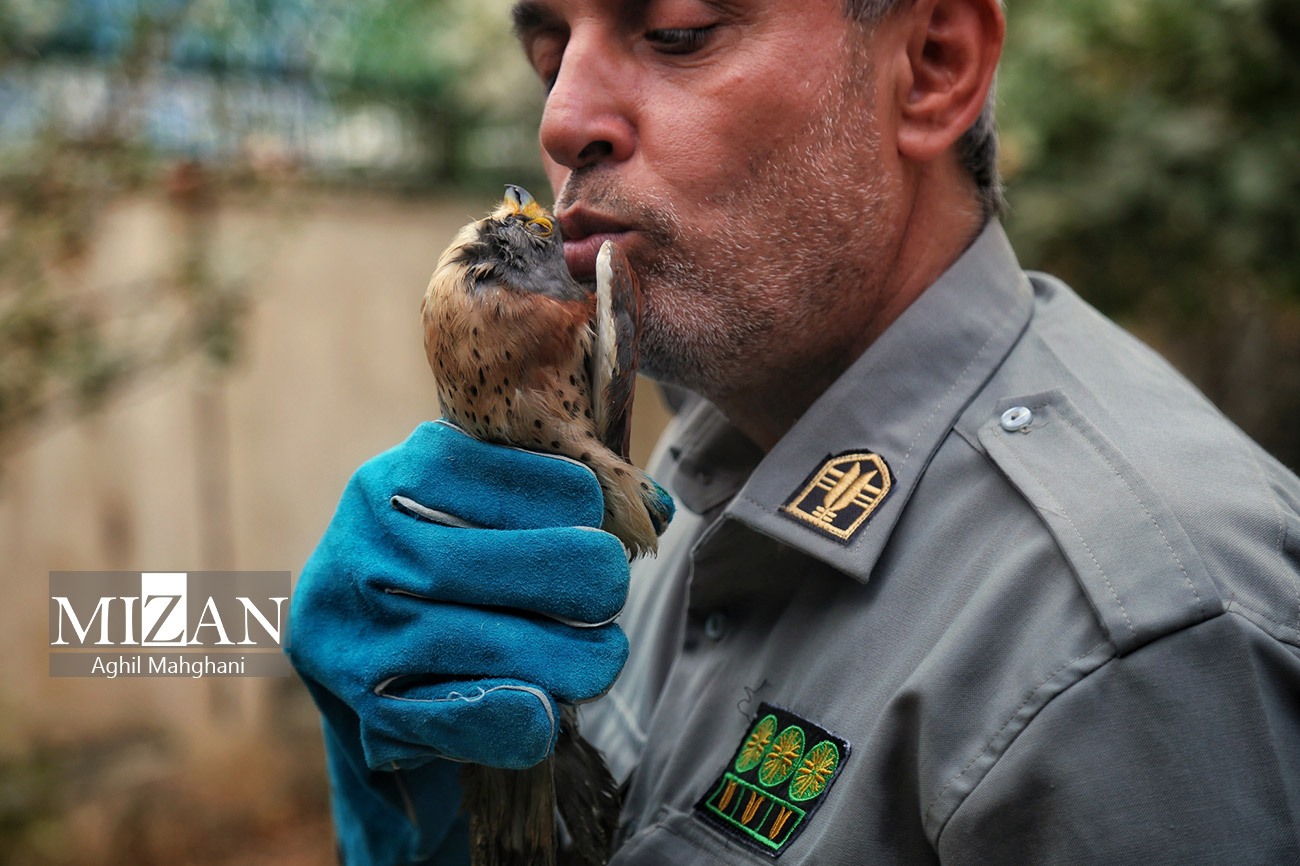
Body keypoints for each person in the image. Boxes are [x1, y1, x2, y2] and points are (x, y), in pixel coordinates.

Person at [287, 0, 1300, 863]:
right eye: (550, 52)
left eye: (677, 31)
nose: (561, 118)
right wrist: (441, 811)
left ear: (931, 65)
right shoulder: (700, 453)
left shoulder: (1140, 645)